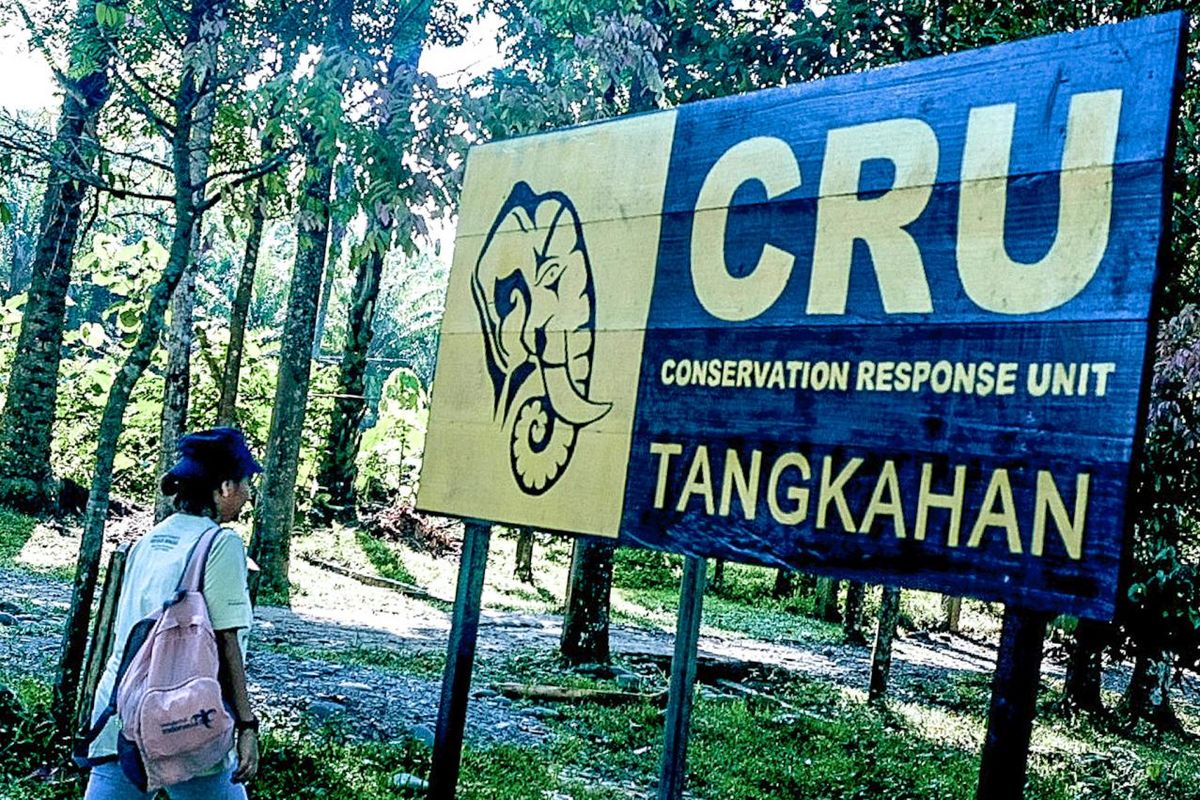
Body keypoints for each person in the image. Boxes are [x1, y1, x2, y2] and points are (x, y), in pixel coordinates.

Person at [83, 428, 262, 800]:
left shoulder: (148, 541)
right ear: (225, 487)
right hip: (182, 717)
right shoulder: (221, 543)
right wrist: (247, 726)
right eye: (247, 482)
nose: (249, 495)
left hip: (120, 706)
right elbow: (227, 643)